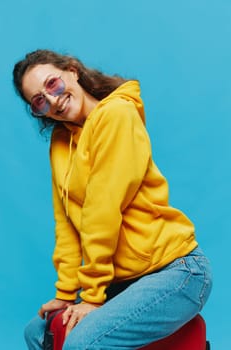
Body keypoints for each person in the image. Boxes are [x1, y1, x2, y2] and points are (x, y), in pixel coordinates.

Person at [13, 49, 212, 350]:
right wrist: (66, 294)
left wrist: (91, 298)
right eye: (39, 100)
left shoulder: (117, 114)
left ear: (72, 71)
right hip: (126, 281)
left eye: (52, 84)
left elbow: (101, 211)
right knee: (37, 332)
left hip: (177, 272)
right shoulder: (60, 142)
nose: (52, 100)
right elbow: (65, 222)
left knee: (82, 343)